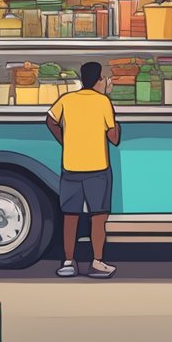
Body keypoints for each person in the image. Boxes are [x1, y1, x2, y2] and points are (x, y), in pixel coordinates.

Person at [46, 61, 119, 279]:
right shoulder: (103, 101)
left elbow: (50, 120)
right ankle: (97, 262)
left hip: (71, 167)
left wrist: (65, 141)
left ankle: (68, 262)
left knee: (70, 216)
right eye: (104, 78)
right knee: (98, 217)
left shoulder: (67, 100)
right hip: (98, 168)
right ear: (98, 81)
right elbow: (114, 138)